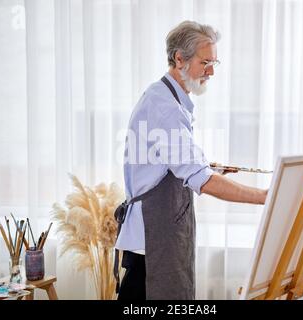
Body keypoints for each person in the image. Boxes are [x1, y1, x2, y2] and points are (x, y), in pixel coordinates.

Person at [114, 20, 267, 300]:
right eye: (205, 62)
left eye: (214, 63)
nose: (211, 71)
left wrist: (208, 166)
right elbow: (202, 181)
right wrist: (267, 197)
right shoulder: (165, 108)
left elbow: (166, 162)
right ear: (179, 58)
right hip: (152, 242)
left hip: (159, 237)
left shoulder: (166, 98)